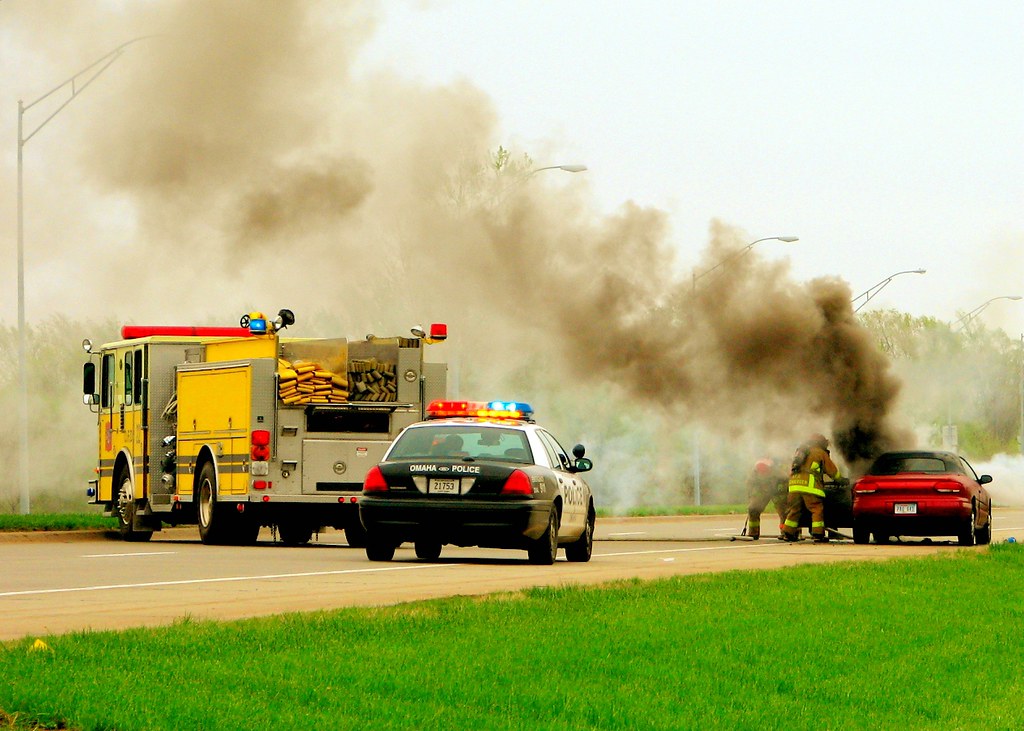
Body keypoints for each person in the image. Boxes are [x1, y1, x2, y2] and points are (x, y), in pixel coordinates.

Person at [781, 433, 841, 543]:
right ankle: (818, 534)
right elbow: (832, 470)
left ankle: (788, 533)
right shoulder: (820, 452)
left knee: (794, 510)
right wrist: (840, 479)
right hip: (810, 486)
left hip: (794, 485)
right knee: (816, 508)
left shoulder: (800, 451)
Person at [745, 458, 787, 540]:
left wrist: (781, 493)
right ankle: (753, 533)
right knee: (753, 509)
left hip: (778, 491)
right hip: (762, 491)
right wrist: (752, 496)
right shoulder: (754, 474)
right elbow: (750, 484)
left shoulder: (779, 474)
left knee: (784, 512)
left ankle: (786, 532)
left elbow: (785, 480)